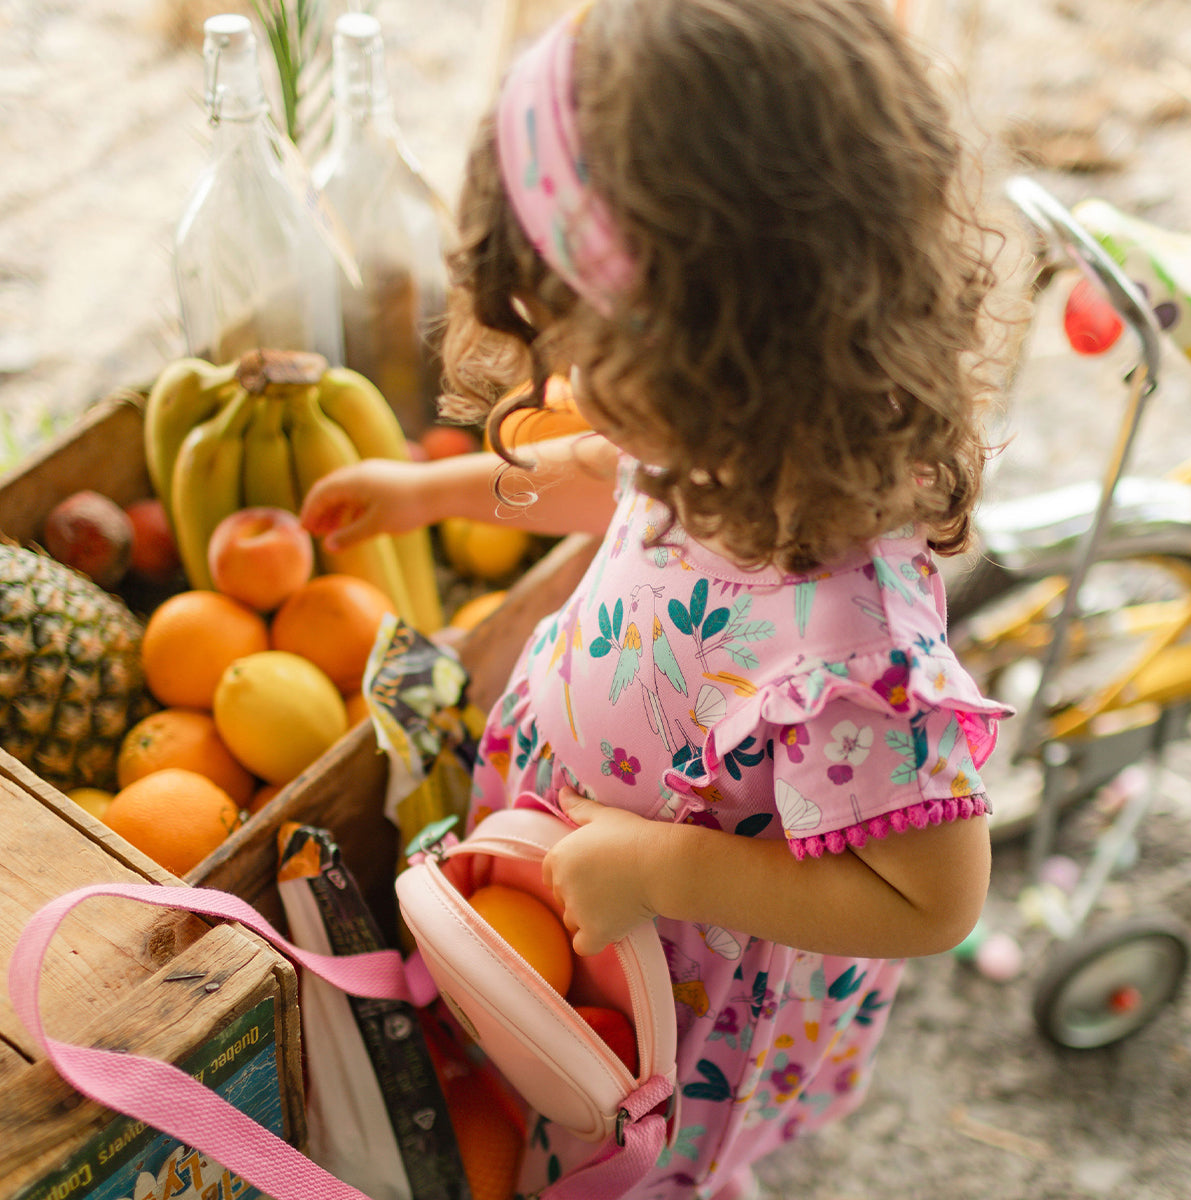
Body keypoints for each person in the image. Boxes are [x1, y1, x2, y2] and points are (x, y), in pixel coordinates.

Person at [301, 1, 1012, 1196]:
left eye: (588, 359)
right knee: (546, 1090)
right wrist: (427, 494)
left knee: (630, 1147)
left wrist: (662, 873)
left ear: (727, 358)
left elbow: (936, 900)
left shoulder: (854, 647)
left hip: (681, 987)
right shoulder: (725, 441)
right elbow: (601, 485)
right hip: (596, 894)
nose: (565, 384)